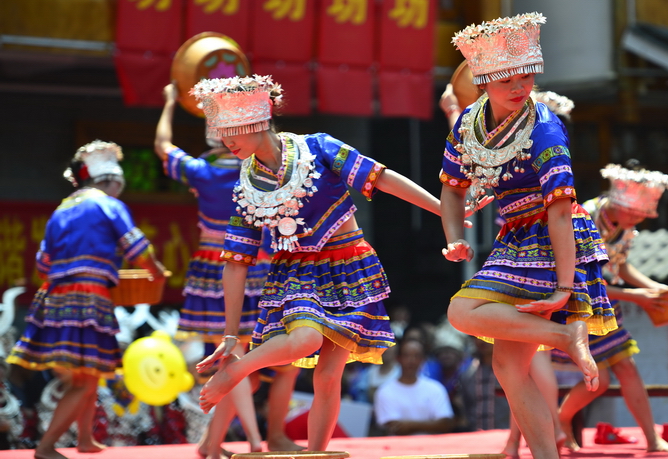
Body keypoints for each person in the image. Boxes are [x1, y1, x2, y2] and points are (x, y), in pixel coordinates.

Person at [191, 74, 476, 451]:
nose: (226, 140)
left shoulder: (317, 148)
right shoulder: (246, 184)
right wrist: (230, 337)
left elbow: (381, 178)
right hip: (295, 270)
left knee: (328, 375)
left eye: (232, 130)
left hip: (349, 265)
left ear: (258, 121)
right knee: (304, 338)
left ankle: (315, 454)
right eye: (220, 131)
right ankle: (237, 369)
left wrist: (443, 210)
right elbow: (237, 261)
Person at [439, 12, 617, 459]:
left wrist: (564, 286)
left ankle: (564, 337)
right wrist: (452, 236)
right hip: (514, 237)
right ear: (482, 82)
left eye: (526, 77)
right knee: (507, 367)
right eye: (507, 81)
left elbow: (559, 214)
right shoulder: (467, 125)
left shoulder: (544, 127)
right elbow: (451, 186)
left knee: (461, 311)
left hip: (551, 234)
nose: (520, 88)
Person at [155, 83, 301, 456]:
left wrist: (171, 104)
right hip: (264, 264)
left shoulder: (201, 172)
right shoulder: (264, 167)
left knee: (236, 366)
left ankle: (216, 443)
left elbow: (163, 147)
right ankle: (259, 439)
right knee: (273, 365)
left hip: (214, 267)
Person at [6, 140, 168, 459]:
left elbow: (43, 264)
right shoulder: (108, 205)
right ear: (110, 181)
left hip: (54, 297)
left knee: (88, 374)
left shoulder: (61, 209)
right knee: (84, 378)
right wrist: (158, 271)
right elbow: (137, 249)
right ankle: (46, 446)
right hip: (88, 297)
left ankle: (84, 438)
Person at [549, 160, 668, 453]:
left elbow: (619, 267)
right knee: (603, 377)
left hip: (603, 301)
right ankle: (559, 420)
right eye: (634, 212)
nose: (638, 219)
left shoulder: (621, 225)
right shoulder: (585, 217)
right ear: (618, 203)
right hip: (576, 300)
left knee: (625, 368)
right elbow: (584, 278)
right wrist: (639, 296)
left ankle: (652, 438)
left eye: (642, 214)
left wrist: (653, 287)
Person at [373, 337, 455, 435]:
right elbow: (395, 428)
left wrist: (409, 425)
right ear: (398, 358)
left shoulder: (436, 388)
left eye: (416, 356)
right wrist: (431, 425)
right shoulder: (385, 391)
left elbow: (445, 424)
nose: (411, 361)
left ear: (423, 360)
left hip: (431, 449)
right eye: (406, 356)